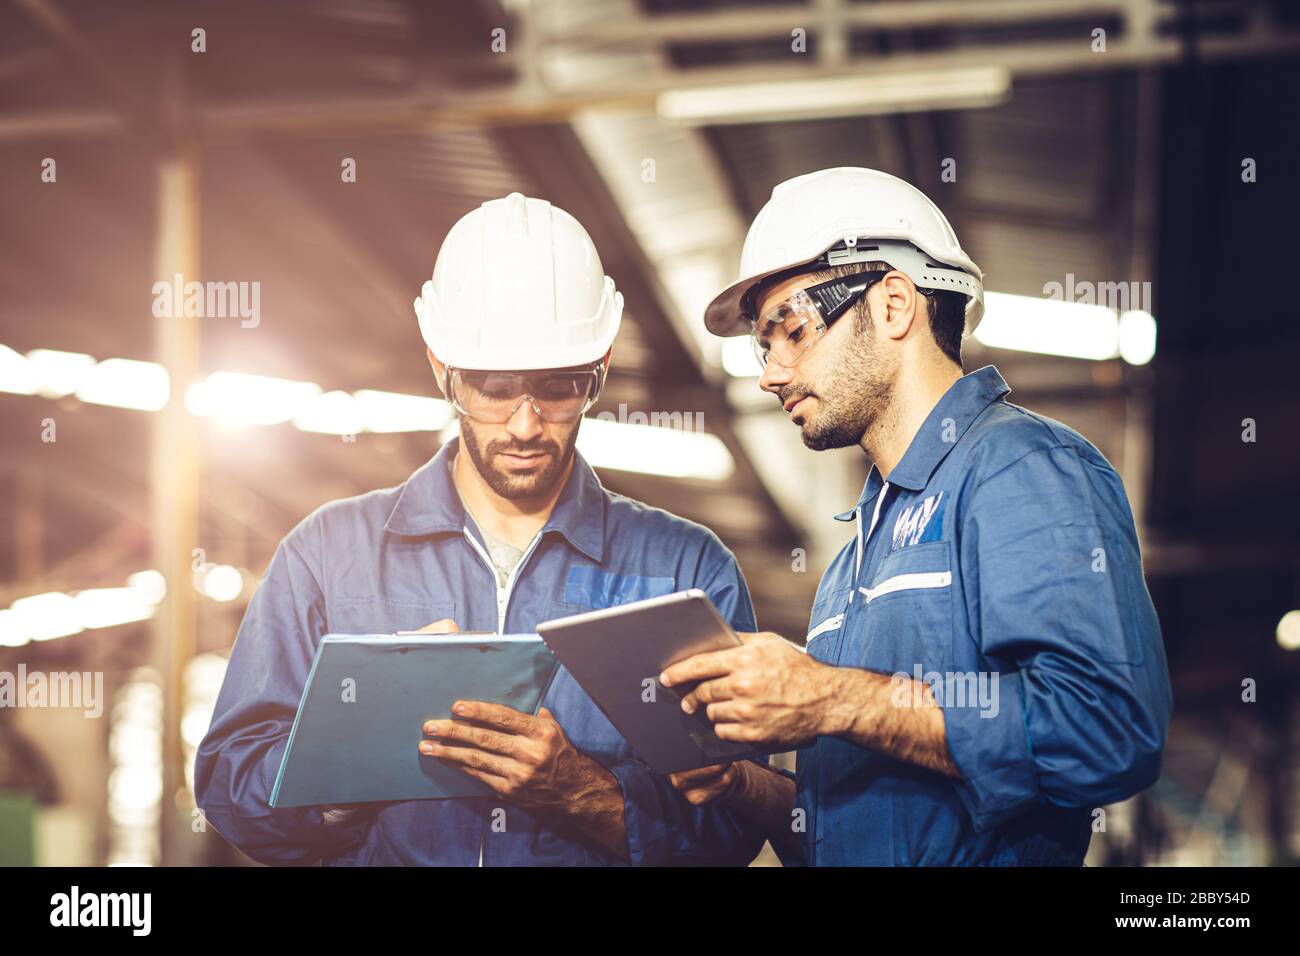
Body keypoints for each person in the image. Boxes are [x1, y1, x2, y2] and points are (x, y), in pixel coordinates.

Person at [196, 192, 764, 866]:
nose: (525, 425)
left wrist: (580, 792)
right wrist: (352, 758)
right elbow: (229, 791)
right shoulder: (327, 558)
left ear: (600, 369)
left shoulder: (685, 571)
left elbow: (731, 832)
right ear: (441, 368)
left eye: (558, 387)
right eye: (492, 387)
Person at [662, 167, 1172, 866]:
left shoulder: (1020, 469)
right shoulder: (855, 556)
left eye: (791, 329)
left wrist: (833, 697)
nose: (770, 373)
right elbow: (848, 832)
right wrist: (743, 786)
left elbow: (1107, 731)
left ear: (895, 304)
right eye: (762, 344)